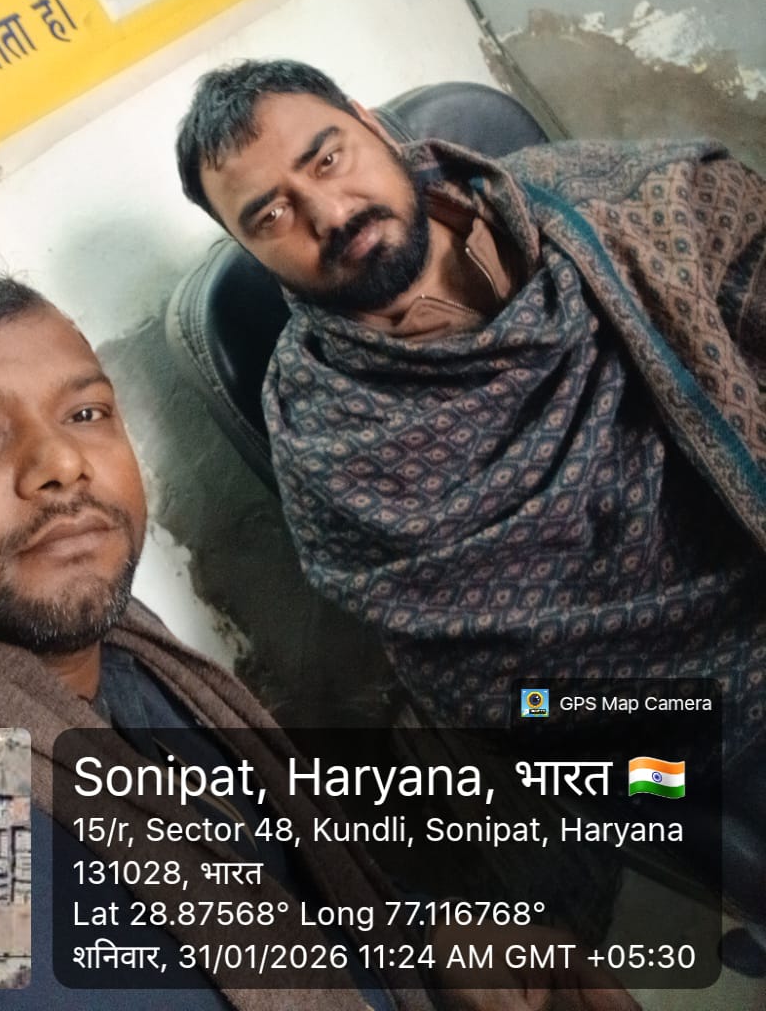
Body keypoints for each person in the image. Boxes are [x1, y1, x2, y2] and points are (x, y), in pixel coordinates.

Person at [0, 276, 632, 1011]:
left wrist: (416, 951)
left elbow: (236, 912)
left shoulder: (123, 657)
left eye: (86, 413)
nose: (62, 464)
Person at [175, 60, 766, 773]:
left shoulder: (602, 198)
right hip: (649, 732)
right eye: (271, 216)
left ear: (371, 125)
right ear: (251, 250)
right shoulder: (325, 441)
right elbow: (493, 694)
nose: (329, 214)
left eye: (328, 160)